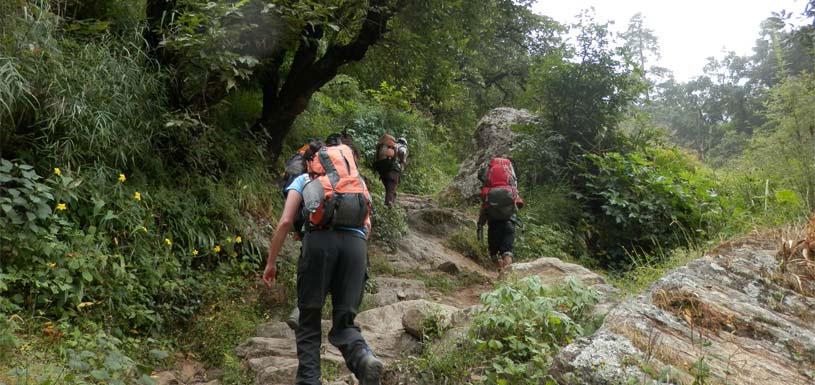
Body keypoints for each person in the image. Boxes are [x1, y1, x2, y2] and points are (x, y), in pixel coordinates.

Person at [262, 141, 383, 385]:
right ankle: (364, 359)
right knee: (344, 323)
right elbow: (367, 227)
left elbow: (286, 222)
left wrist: (271, 263)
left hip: (319, 244)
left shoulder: (305, 180)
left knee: (308, 322)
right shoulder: (355, 184)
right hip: (356, 248)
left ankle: (309, 381)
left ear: (311, 162)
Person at [476, 156, 523, 273]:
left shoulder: (488, 194)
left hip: (494, 226)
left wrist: (480, 225)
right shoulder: (511, 190)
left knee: (493, 255)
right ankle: (506, 277)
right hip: (509, 223)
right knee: (507, 252)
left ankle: (500, 271)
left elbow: (483, 213)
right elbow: (518, 206)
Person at [374, 134, 408, 206]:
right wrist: (402, 161)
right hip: (393, 171)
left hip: (384, 171)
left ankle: (390, 205)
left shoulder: (390, 146)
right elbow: (402, 152)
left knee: (389, 190)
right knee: (390, 191)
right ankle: (388, 209)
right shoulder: (402, 146)